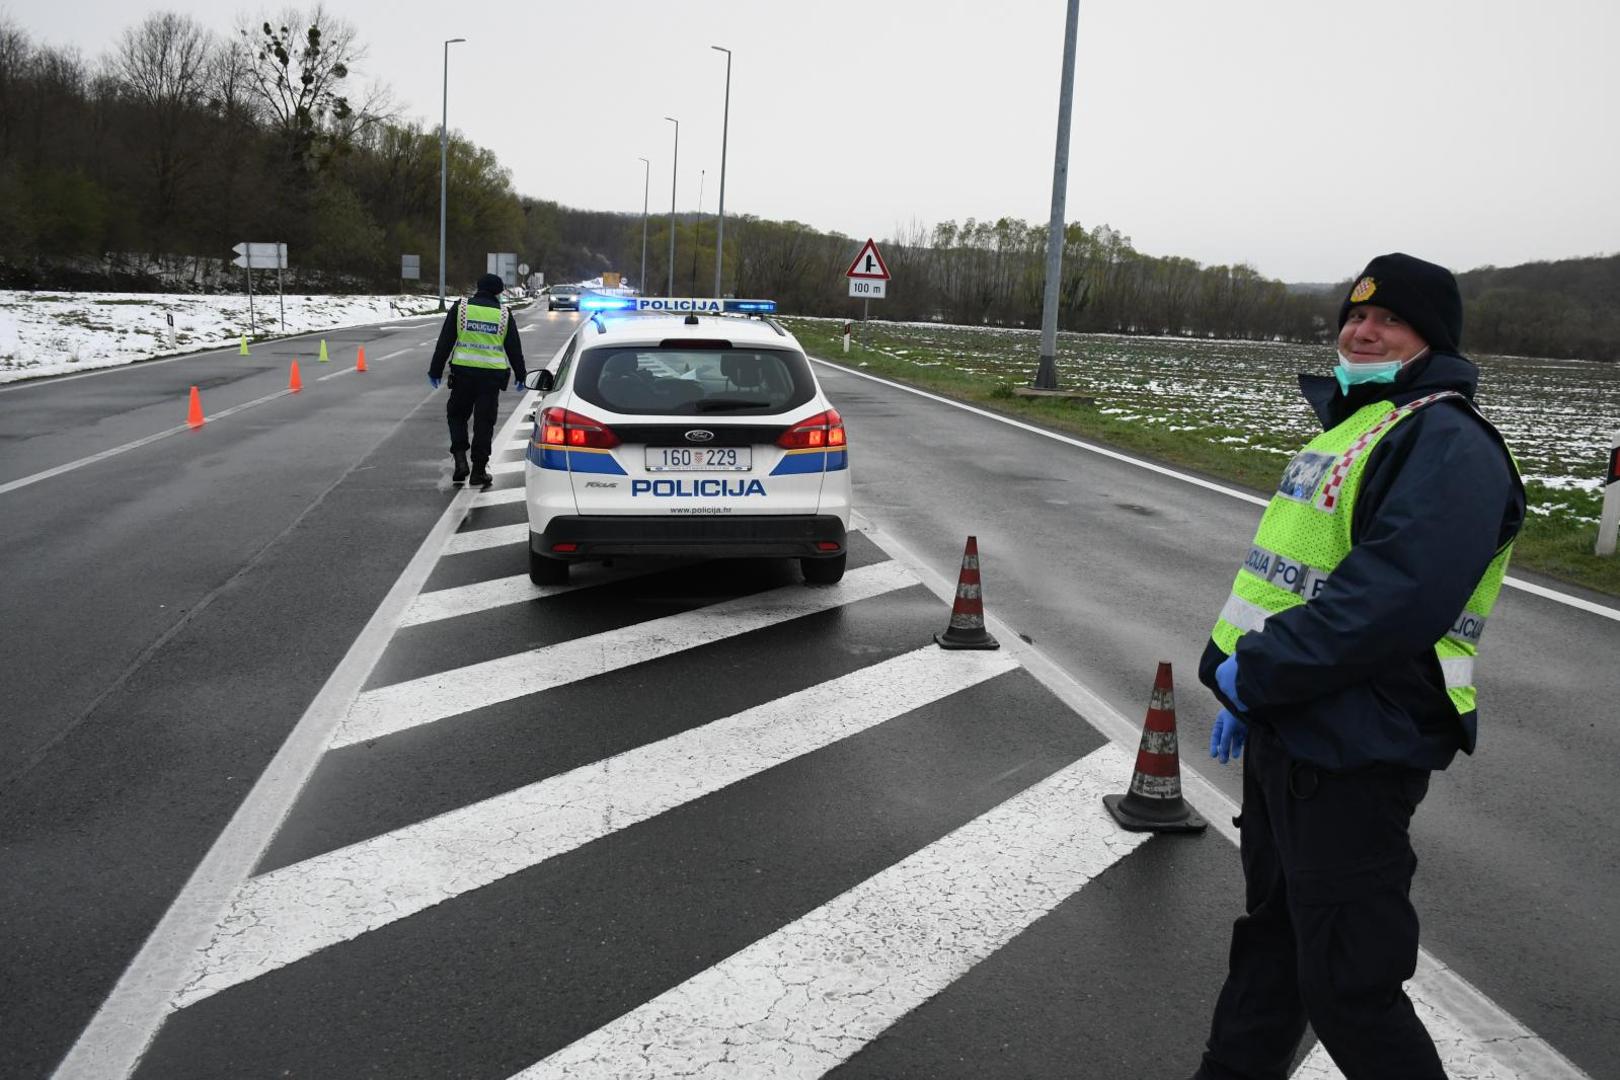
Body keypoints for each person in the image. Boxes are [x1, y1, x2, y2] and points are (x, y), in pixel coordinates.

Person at [1192, 253, 1525, 1080]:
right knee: (1271, 949)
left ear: (1429, 340)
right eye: (1354, 315)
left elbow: (1390, 600)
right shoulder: (1355, 427)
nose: (1363, 330)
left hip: (1354, 749)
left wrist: (1256, 676)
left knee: (1351, 986)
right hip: (1291, 731)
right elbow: (1289, 576)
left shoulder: (1447, 441)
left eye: (1389, 321)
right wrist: (1236, 679)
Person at [428, 273, 527, 486]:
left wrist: (435, 371)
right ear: (499, 292)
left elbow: (445, 341)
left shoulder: (462, 308)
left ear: (477, 288)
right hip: (491, 378)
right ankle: (479, 470)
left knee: (456, 415)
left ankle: (461, 459)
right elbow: (514, 348)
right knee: (484, 422)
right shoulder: (503, 314)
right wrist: (521, 375)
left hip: (463, 374)